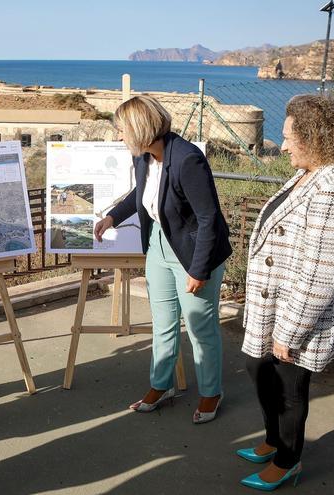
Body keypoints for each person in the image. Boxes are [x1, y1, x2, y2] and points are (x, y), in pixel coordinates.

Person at [236, 95, 334, 491]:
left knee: (289, 387)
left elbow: (321, 274)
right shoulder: (313, 172)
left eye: (290, 137)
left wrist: (290, 332)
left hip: (300, 312)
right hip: (275, 303)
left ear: (316, 137)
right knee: (257, 369)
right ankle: (273, 439)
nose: (286, 145)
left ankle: (288, 459)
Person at [94, 95, 232, 422]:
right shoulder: (143, 157)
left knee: (200, 328)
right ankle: (161, 384)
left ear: (141, 130)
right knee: (163, 323)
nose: (118, 137)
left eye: (122, 131)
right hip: (159, 243)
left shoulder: (187, 160)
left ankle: (211, 392)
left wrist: (199, 270)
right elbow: (143, 194)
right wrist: (112, 217)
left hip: (195, 251)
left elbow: (208, 218)